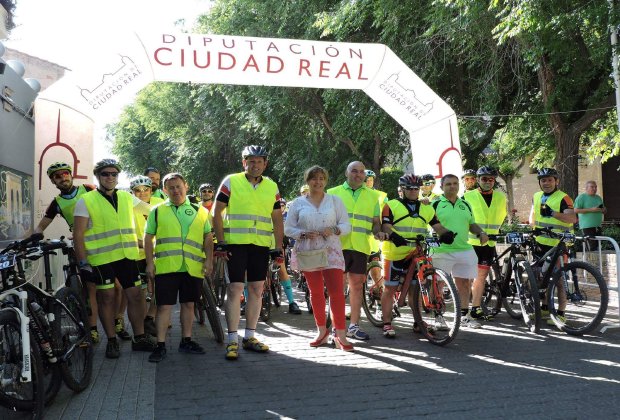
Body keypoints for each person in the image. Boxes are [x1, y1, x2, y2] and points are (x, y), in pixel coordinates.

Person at [73, 159, 156, 359]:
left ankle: (139, 338)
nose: (110, 177)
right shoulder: (86, 200)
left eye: (114, 174)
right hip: (101, 259)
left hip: (127, 256)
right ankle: (111, 341)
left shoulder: (127, 197)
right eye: (105, 174)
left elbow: (152, 210)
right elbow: (78, 234)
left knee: (136, 296)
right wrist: (83, 263)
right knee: (107, 298)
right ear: (98, 176)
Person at [213, 145, 284, 360]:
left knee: (256, 289)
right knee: (235, 289)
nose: (255, 165)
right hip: (235, 244)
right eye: (251, 161)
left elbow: (277, 219)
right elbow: (217, 212)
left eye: (259, 161)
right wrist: (221, 242)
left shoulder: (271, 186)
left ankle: (250, 336)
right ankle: (232, 339)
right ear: (244, 162)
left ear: (265, 164)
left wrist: (278, 247)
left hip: (260, 245)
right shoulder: (231, 181)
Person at [144, 173, 214, 362]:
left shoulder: (200, 211)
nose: (175, 190)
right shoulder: (157, 211)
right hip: (166, 267)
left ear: (186, 186)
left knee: (189, 304)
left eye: (178, 186)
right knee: (164, 307)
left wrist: (209, 260)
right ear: (165, 190)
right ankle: (160, 345)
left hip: (192, 267)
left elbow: (208, 237)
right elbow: (148, 238)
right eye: (171, 187)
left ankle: (186, 340)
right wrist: (149, 263)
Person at [285, 166, 353, 350]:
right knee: (315, 292)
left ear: (326, 181)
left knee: (336, 293)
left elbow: (346, 225)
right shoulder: (298, 203)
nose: (318, 182)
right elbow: (288, 229)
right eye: (314, 178)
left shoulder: (335, 201)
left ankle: (340, 335)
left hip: (331, 251)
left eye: (322, 178)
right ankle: (321, 332)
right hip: (309, 252)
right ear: (307, 181)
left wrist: (335, 229)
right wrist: (303, 234)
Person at [33, 162, 101, 343]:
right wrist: (31, 238)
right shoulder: (57, 203)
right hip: (81, 245)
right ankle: (93, 329)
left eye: (65, 173)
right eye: (57, 176)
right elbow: (40, 226)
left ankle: (117, 319)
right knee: (90, 288)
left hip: (103, 242)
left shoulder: (88, 189)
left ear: (71, 175)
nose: (62, 178)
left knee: (114, 288)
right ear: (53, 181)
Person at [380, 174, 454, 337]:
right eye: (409, 188)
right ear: (402, 189)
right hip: (395, 252)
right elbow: (385, 226)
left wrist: (446, 234)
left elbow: (437, 226)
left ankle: (418, 322)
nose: (413, 191)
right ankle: (387, 323)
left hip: (416, 253)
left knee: (415, 289)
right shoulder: (391, 205)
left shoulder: (427, 208)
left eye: (416, 188)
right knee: (390, 288)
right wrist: (393, 235)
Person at [328, 161, 388, 340]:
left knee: (357, 287)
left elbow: (375, 222)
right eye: (354, 171)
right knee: (337, 289)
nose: (358, 174)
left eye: (361, 172)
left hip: (361, 247)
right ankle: (336, 328)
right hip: (337, 247)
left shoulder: (373, 196)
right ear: (346, 173)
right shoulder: (332, 193)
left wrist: (378, 232)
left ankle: (354, 326)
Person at [431, 174, 489, 328]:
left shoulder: (465, 204)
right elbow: (428, 222)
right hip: (441, 250)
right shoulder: (434, 204)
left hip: (464, 249)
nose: (452, 186)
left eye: (455, 183)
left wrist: (481, 232)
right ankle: (438, 317)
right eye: (448, 184)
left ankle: (464, 317)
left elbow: (472, 224)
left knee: (464, 283)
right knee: (438, 284)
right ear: (441, 187)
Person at [529, 168, 577, 323]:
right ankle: (544, 309)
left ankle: (561, 313)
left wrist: (553, 213)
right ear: (539, 182)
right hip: (540, 244)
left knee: (559, 279)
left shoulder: (563, 198)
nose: (546, 183)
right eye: (543, 180)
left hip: (558, 245)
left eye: (550, 180)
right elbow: (533, 217)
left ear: (556, 181)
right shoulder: (536, 196)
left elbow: (572, 219)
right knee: (542, 277)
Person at [464, 166, 507, 322]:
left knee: (481, 276)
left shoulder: (501, 197)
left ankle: (475, 308)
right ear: (478, 180)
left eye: (491, 179)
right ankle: (464, 310)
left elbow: (501, 216)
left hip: (489, 243)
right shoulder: (467, 196)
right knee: (467, 278)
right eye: (484, 179)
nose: (487, 182)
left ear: (494, 181)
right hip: (470, 242)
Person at [130, 175, 165, 337]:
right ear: (132, 192)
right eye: (137, 190)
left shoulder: (160, 203)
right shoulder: (130, 207)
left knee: (162, 287)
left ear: (152, 190)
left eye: (146, 189)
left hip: (158, 252)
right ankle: (144, 326)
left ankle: (150, 317)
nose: (142, 193)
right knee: (140, 294)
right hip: (138, 254)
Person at [276, 198, 302, 314]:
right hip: (258, 243)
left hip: (275, 243)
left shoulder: (280, 212)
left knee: (282, 270)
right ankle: (246, 301)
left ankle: (292, 302)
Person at [574, 181, 606, 251]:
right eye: (592, 187)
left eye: (595, 187)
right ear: (586, 188)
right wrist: (591, 210)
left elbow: (604, 210)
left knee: (599, 248)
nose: (594, 189)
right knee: (591, 249)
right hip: (586, 227)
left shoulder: (598, 198)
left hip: (598, 226)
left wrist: (603, 210)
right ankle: (588, 258)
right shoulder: (581, 197)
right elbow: (575, 210)